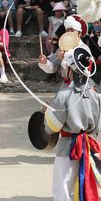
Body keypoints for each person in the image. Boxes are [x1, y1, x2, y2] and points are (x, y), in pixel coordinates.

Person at [44, 47, 101, 200]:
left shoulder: (64, 95)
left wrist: (47, 112)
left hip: (68, 147)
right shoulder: (96, 96)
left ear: (70, 69)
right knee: (80, 186)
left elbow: (51, 127)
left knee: (62, 187)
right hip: (89, 146)